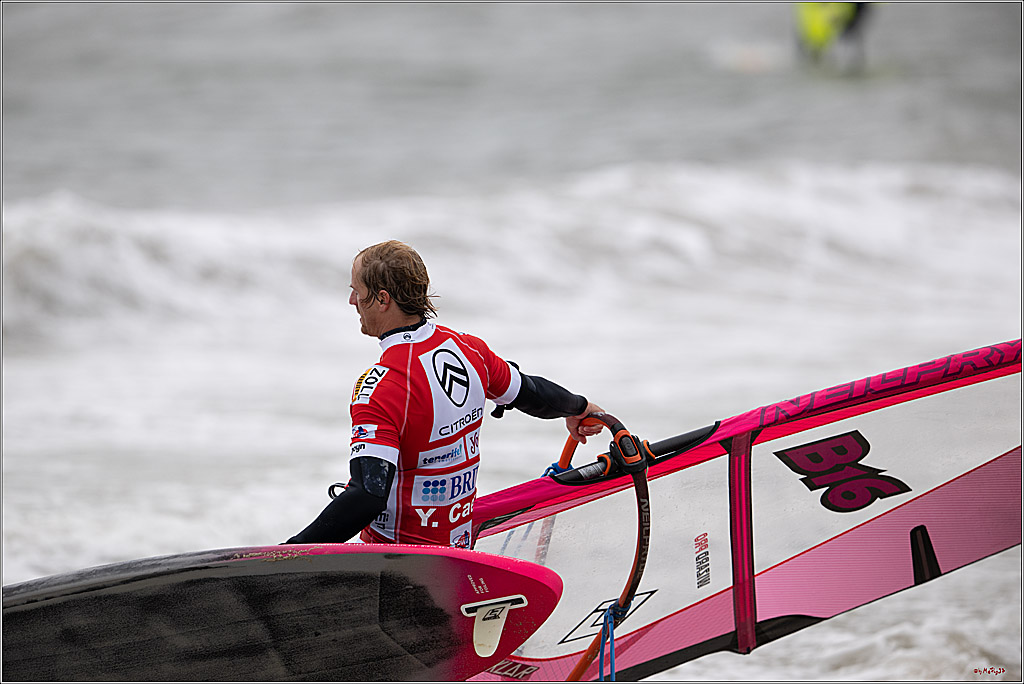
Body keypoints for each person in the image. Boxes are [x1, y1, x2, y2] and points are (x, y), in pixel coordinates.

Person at [286, 240, 602, 547]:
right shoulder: (470, 350)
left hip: (396, 565)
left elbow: (368, 495)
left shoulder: (383, 387)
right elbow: (530, 392)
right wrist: (579, 407)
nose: (352, 301)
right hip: (459, 555)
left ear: (383, 299)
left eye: (357, 290)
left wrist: (290, 553)